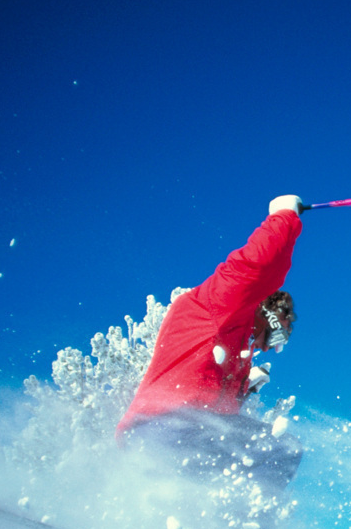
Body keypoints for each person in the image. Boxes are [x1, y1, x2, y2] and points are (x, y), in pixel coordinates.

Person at [116, 195, 305, 492]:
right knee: (282, 449)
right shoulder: (219, 304)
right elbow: (258, 267)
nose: (270, 348)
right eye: (275, 336)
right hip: (168, 425)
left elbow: (212, 394)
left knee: (247, 467)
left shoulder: (234, 343)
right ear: (267, 312)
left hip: (169, 432)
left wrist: (244, 389)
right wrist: (284, 217)